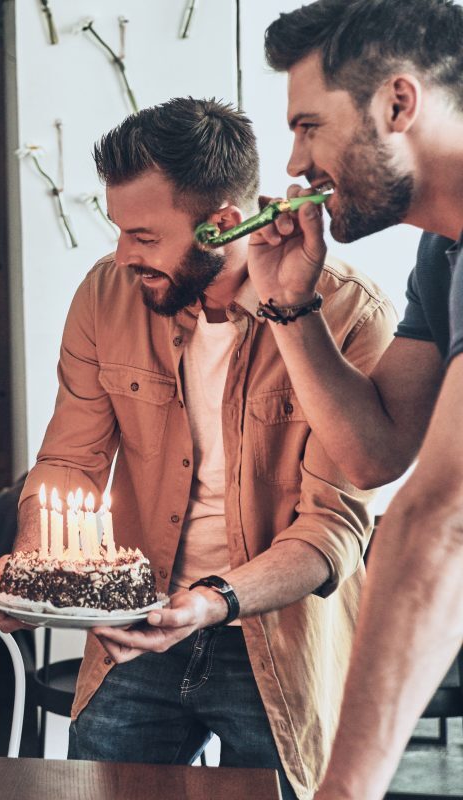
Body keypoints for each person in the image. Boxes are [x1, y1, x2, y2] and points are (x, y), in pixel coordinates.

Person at [0, 98, 393, 800]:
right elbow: (68, 460)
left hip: (277, 639)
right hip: (131, 627)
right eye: (118, 231)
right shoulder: (105, 298)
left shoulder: (352, 315)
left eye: (143, 235)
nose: (121, 254)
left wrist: (209, 602)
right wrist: (37, 574)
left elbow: (333, 530)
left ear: (224, 224)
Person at [254, 2, 463, 797]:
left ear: (398, 104)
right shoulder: (443, 256)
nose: (296, 164)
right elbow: (376, 453)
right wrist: (289, 307)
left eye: (310, 126)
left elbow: (442, 519)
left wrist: (342, 791)